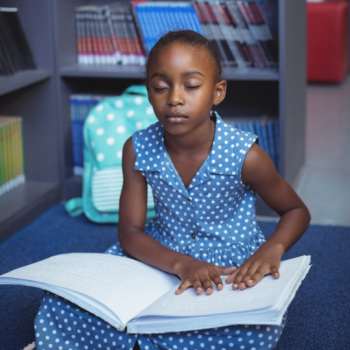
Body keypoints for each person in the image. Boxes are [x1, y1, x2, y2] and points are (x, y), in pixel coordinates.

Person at [34, 30, 310, 350]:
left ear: (217, 92)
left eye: (191, 86)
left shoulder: (246, 155)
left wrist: (272, 249)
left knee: (252, 331)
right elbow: (131, 233)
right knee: (65, 303)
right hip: (157, 256)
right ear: (149, 92)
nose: (174, 98)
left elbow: (296, 210)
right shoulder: (136, 149)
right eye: (160, 87)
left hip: (229, 267)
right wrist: (181, 265)